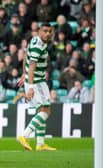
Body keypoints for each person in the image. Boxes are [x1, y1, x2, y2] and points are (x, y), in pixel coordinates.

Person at [17, 22, 56, 151]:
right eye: (45, 31)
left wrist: (24, 73)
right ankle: (24, 135)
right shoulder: (38, 46)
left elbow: (25, 57)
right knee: (46, 111)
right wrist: (31, 86)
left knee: (41, 110)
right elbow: (32, 65)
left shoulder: (34, 40)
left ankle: (40, 144)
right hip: (37, 82)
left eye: (49, 31)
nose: (47, 34)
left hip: (36, 80)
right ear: (39, 31)